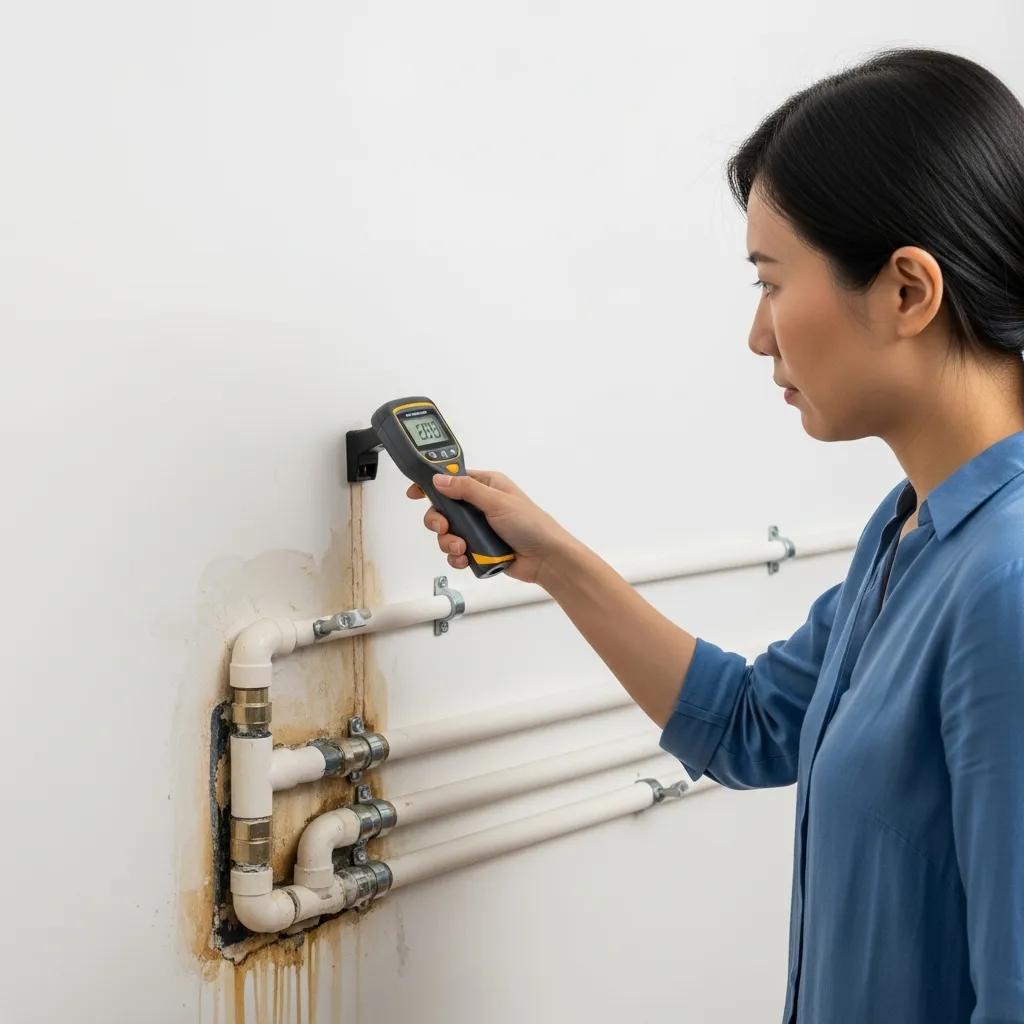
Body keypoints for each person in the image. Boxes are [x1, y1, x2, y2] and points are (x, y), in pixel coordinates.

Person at [407, 47, 1024, 1024]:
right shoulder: (908, 530)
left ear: (907, 291)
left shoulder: (1005, 584)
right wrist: (556, 561)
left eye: (772, 282)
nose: (758, 334)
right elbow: (748, 724)